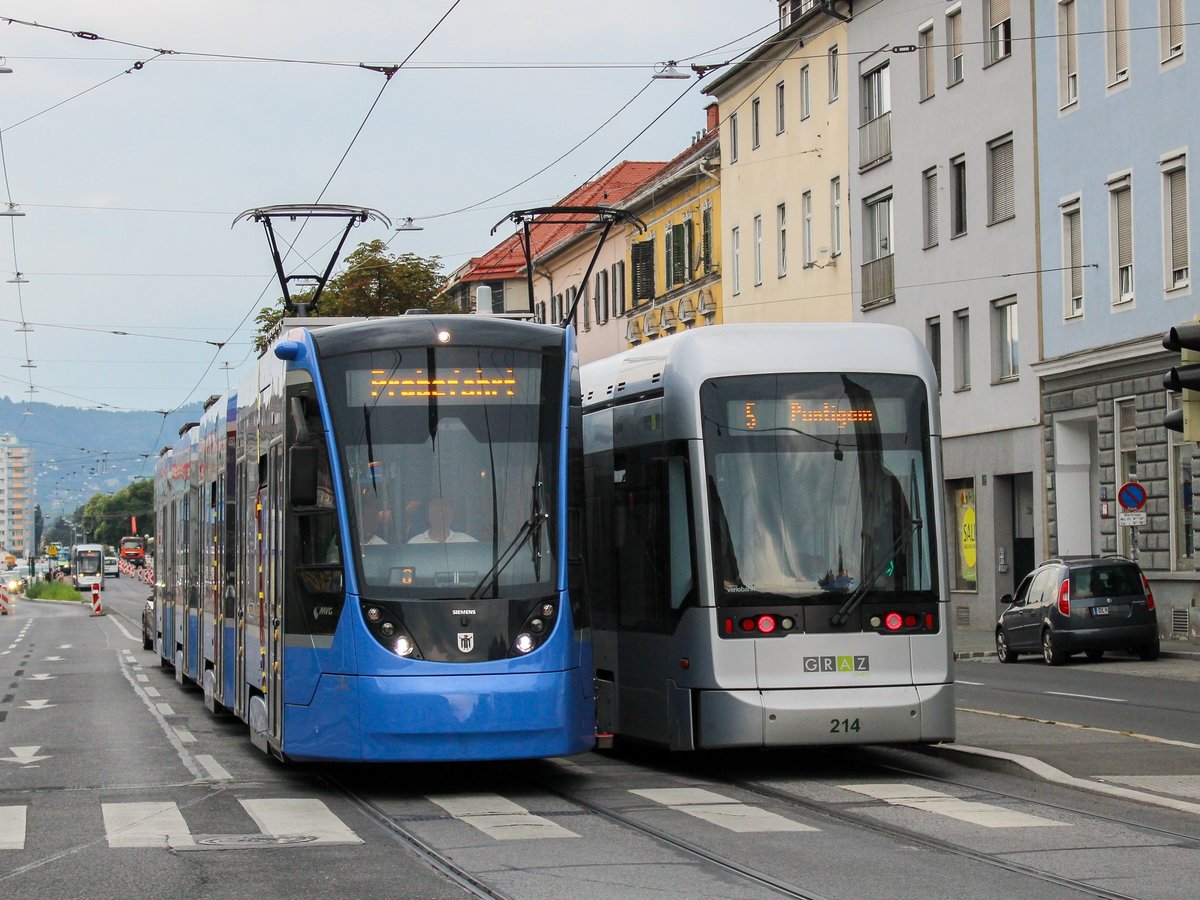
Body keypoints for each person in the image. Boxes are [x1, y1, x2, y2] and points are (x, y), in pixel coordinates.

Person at [408, 498, 476, 543]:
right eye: (437, 512)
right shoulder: (415, 542)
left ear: (452, 516)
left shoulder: (466, 541)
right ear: (429, 517)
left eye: (445, 512)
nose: (441, 516)